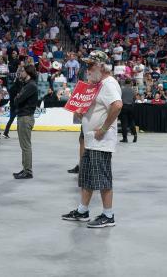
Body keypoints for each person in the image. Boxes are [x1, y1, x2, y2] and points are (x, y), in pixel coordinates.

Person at [62, 51, 123, 228]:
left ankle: (108, 215)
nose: (87, 69)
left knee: (103, 178)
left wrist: (103, 128)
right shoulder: (98, 84)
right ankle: (83, 211)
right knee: (87, 177)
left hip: (101, 141)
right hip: (91, 140)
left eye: (91, 65)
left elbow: (117, 105)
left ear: (102, 66)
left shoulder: (109, 84)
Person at [12, 65, 39, 179]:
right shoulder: (27, 85)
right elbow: (16, 97)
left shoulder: (31, 86)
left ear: (28, 73)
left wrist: (17, 97)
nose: (21, 73)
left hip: (25, 117)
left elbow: (18, 99)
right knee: (24, 146)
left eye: (22, 71)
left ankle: (28, 171)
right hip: (23, 116)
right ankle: (25, 169)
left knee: (26, 146)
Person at [3, 71, 22, 139]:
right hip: (17, 106)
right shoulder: (19, 89)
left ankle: (5, 132)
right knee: (19, 120)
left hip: (12, 106)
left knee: (11, 119)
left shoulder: (11, 88)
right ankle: (20, 134)